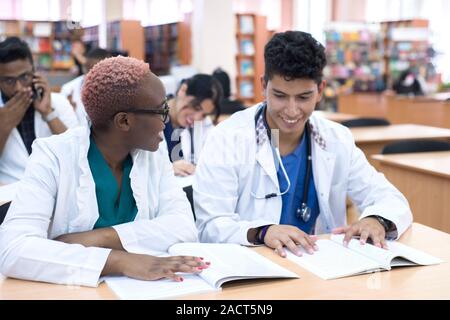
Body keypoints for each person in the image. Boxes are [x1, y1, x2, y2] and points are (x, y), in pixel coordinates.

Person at [193, 31, 413, 257]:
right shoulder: (227, 139)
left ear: (319, 90)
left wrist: (376, 220)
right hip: (255, 269)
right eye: (279, 95)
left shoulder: (336, 139)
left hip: (320, 267)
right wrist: (262, 232)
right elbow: (210, 226)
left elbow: (390, 198)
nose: (291, 110)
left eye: (303, 97)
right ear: (263, 85)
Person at [0, 56, 208, 286]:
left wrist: (99, 238)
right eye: (161, 110)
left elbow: (184, 226)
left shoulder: (153, 154)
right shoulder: (53, 156)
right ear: (124, 121)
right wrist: (118, 261)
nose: (166, 121)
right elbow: (13, 249)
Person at [0, 37, 78, 185]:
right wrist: (4, 126)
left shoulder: (58, 103)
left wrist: (48, 113)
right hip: (10, 196)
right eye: (9, 81)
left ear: (34, 73)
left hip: (53, 189)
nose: (19, 88)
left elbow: (77, 154)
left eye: (24, 77)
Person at [165, 74, 223, 176]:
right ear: (183, 90)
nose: (197, 118)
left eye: (204, 115)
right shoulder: (154, 119)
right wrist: (167, 169)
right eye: (196, 107)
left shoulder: (200, 126)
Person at [60, 47, 111, 126]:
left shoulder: (114, 91)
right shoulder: (68, 89)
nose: (90, 75)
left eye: (96, 71)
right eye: (87, 69)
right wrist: (69, 112)